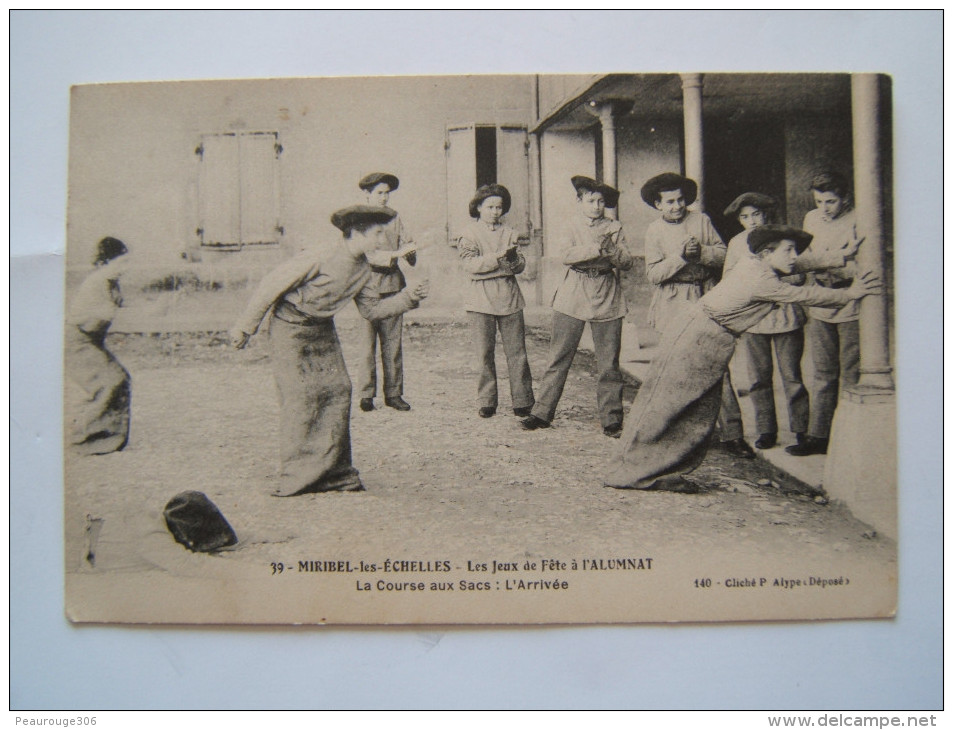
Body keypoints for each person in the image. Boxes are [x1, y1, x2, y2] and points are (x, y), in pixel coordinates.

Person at [605, 224, 881, 491]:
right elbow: (805, 293)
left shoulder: (759, 264)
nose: (794, 256)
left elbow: (797, 265)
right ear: (766, 254)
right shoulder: (760, 279)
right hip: (698, 337)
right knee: (667, 406)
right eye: (788, 250)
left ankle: (657, 471)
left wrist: (840, 256)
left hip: (707, 335)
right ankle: (631, 473)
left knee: (697, 411)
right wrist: (850, 293)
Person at [230, 205, 428, 496]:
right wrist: (245, 328)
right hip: (289, 327)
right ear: (357, 233)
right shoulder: (321, 255)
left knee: (338, 390)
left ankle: (335, 474)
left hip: (322, 330)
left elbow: (372, 310)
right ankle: (296, 477)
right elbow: (270, 286)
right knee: (300, 397)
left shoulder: (364, 268)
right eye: (376, 234)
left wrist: (408, 297)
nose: (380, 241)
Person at [641, 172, 752, 459]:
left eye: (680, 200)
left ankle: (733, 434)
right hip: (672, 301)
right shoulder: (653, 231)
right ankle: (673, 434)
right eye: (669, 202)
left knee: (716, 364)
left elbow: (724, 255)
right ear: (658, 204)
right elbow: (653, 275)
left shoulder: (700, 220)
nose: (676, 206)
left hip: (703, 295)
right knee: (675, 369)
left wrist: (701, 252)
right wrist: (679, 258)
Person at [521, 176, 633, 437]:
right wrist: (597, 248)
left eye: (601, 201)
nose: (596, 206)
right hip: (574, 291)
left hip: (606, 292)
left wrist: (613, 251)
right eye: (591, 200)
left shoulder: (615, 227)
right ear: (579, 201)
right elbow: (566, 255)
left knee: (608, 362)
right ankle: (542, 412)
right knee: (559, 356)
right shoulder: (570, 226)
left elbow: (626, 262)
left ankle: (611, 419)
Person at [723, 192, 807, 450]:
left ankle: (801, 430)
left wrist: (774, 283)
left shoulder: (784, 238)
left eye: (756, 214)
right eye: (745, 217)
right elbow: (729, 279)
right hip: (754, 319)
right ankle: (766, 429)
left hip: (785, 315)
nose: (752, 221)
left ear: (766, 214)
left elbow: (800, 275)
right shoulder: (737, 243)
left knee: (791, 376)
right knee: (758, 377)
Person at [788, 171, 864, 456]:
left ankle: (850, 437)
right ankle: (819, 436)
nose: (824, 207)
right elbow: (805, 257)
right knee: (822, 371)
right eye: (819, 201)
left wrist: (837, 268)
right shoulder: (811, 219)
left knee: (851, 371)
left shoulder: (859, 218)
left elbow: (864, 264)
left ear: (846, 199)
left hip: (850, 301)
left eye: (830, 201)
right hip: (821, 300)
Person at [458, 184, 534, 418]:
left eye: (499, 207)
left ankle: (522, 400)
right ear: (478, 207)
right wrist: (499, 260)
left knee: (517, 352)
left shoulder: (510, 233)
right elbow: (470, 267)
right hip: (480, 300)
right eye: (489, 206)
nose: (494, 211)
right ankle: (487, 400)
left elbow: (519, 267)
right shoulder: (469, 234)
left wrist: (510, 262)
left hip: (509, 298)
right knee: (484, 352)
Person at [354, 172, 417, 413]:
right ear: (367, 194)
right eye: (379, 193)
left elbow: (407, 243)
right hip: (367, 287)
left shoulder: (395, 217)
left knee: (393, 343)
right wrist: (395, 255)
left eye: (387, 192)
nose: (384, 197)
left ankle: (394, 393)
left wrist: (410, 252)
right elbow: (366, 254)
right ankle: (366, 394)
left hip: (392, 286)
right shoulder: (358, 220)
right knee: (366, 345)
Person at [66, 236, 131, 455]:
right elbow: (87, 323)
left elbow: (121, 311)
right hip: (76, 342)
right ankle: (85, 438)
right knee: (111, 380)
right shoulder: (95, 284)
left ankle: (107, 436)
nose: (124, 268)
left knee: (119, 380)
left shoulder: (111, 283)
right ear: (103, 263)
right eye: (120, 263)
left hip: (90, 342)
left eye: (126, 263)